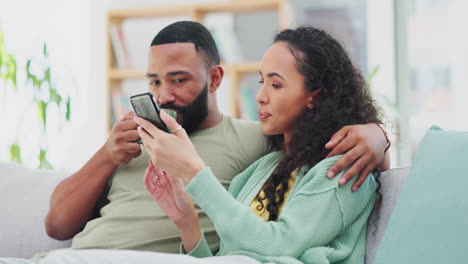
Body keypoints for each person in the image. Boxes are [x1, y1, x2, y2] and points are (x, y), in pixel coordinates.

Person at [0, 21, 388, 263]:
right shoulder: (264, 165)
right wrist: (110, 156)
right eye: (154, 82)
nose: (164, 94)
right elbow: (56, 224)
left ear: (216, 79)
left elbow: (277, 241)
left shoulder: (259, 142)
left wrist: (380, 135)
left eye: (179, 80)